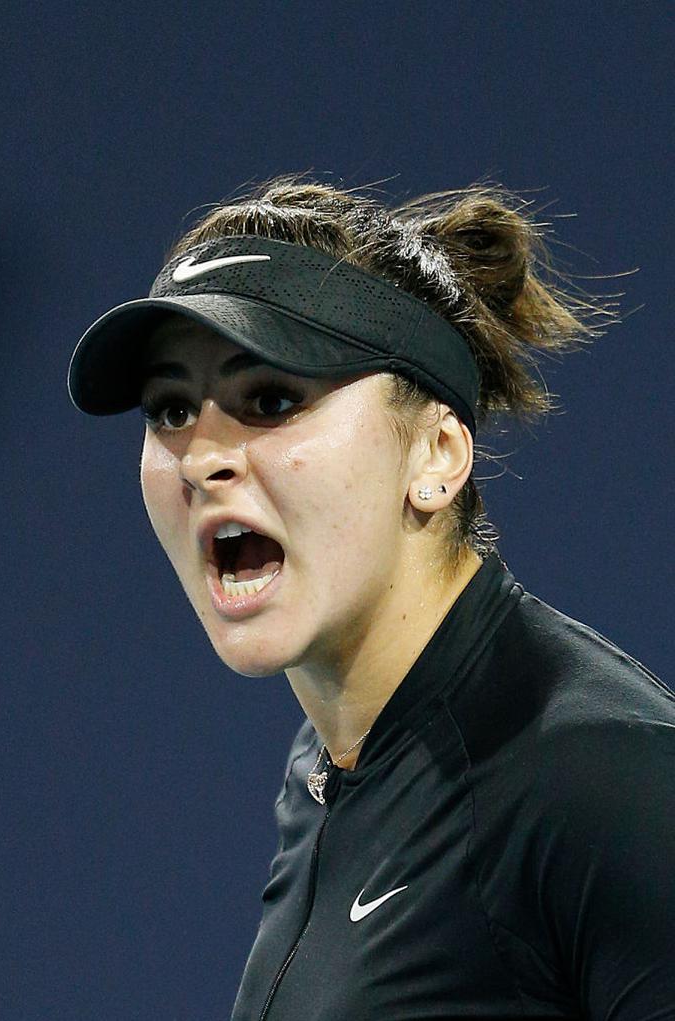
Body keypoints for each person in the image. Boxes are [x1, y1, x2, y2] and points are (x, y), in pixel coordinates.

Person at [67, 174, 675, 1021]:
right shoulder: (324, 770)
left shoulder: (611, 779)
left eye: (272, 399)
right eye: (170, 408)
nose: (201, 456)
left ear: (435, 454)